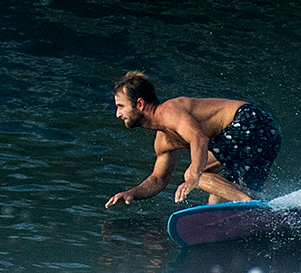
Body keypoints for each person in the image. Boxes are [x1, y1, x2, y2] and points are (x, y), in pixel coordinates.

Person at [100, 71, 283, 208]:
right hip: (266, 133)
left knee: (194, 175)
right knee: (217, 199)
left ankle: (250, 203)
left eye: (120, 106)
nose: (118, 114)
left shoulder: (169, 111)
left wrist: (193, 177)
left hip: (251, 121)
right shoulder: (163, 140)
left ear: (139, 104)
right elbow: (158, 180)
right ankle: (259, 209)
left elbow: (199, 139)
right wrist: (132, 193)